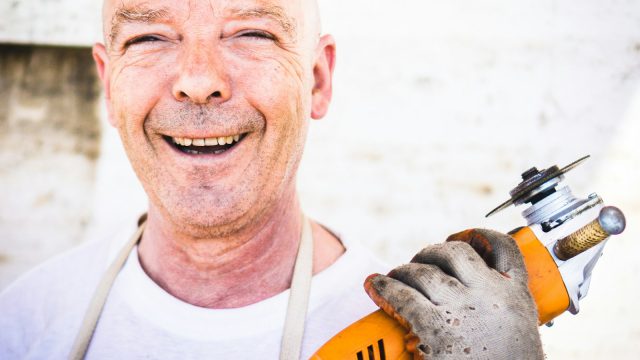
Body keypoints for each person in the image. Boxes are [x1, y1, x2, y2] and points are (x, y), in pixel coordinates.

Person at [0, 0, 543, 359]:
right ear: (108, 84)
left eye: (251, 33)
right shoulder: (25, 323)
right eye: (148, 39)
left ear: (317, 80)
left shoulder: (419, 337)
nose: (198, 80)